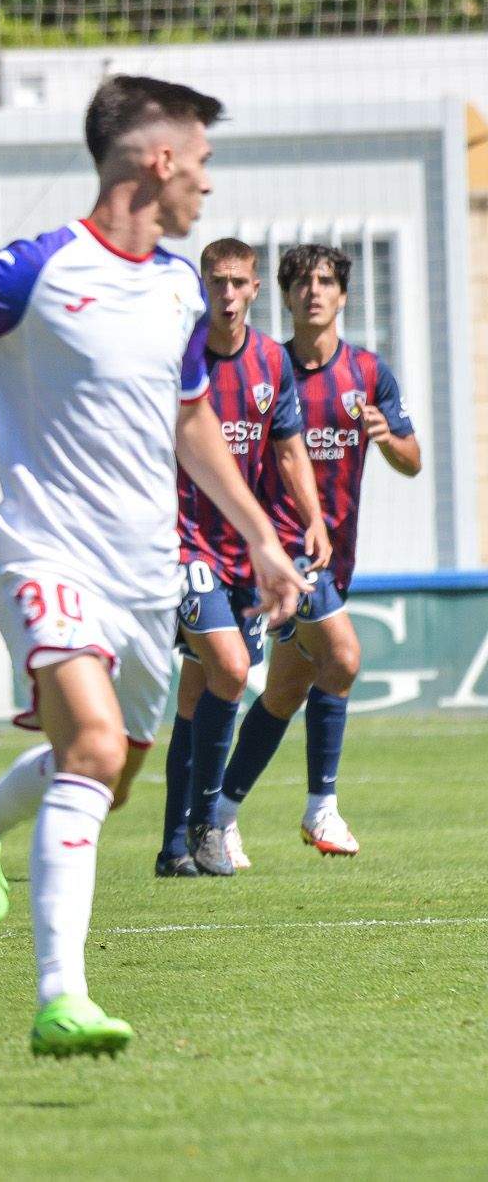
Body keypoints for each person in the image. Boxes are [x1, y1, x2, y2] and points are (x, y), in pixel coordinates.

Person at [0, 76, 304, 1057]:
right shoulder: (36, 268)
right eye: (199, 162)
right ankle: (58, 998)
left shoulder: (178, 286)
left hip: (148, 580)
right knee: (95, 750)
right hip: (44, 555)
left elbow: (188, 419)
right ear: (156, 161)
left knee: (104, 777)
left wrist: (260, 539)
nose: (204, 183)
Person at [208, 243, 421, 861]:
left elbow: (412, 460)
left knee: (284, 692)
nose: (314, 292)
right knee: (346, 658)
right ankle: (321, 809)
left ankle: (217, 815)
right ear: (285, 295)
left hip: (337, 555)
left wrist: (385, 438)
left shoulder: (367, 373)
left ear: (343, 296)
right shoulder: (267, 366)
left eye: (326, 281)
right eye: (301, 282)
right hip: (282, 548)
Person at [157, 239, 328, 878]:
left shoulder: (271, 364)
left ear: (255, 289)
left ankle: (174, 846)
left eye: (237, 283)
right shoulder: (180, 358)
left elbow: (287, 450)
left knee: (199, 696)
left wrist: (310, 519)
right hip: (181, 544)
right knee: (230, 670)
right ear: (202, 286)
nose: (226, 295)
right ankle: (209, 824)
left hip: (241, 554)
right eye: (216, 282)